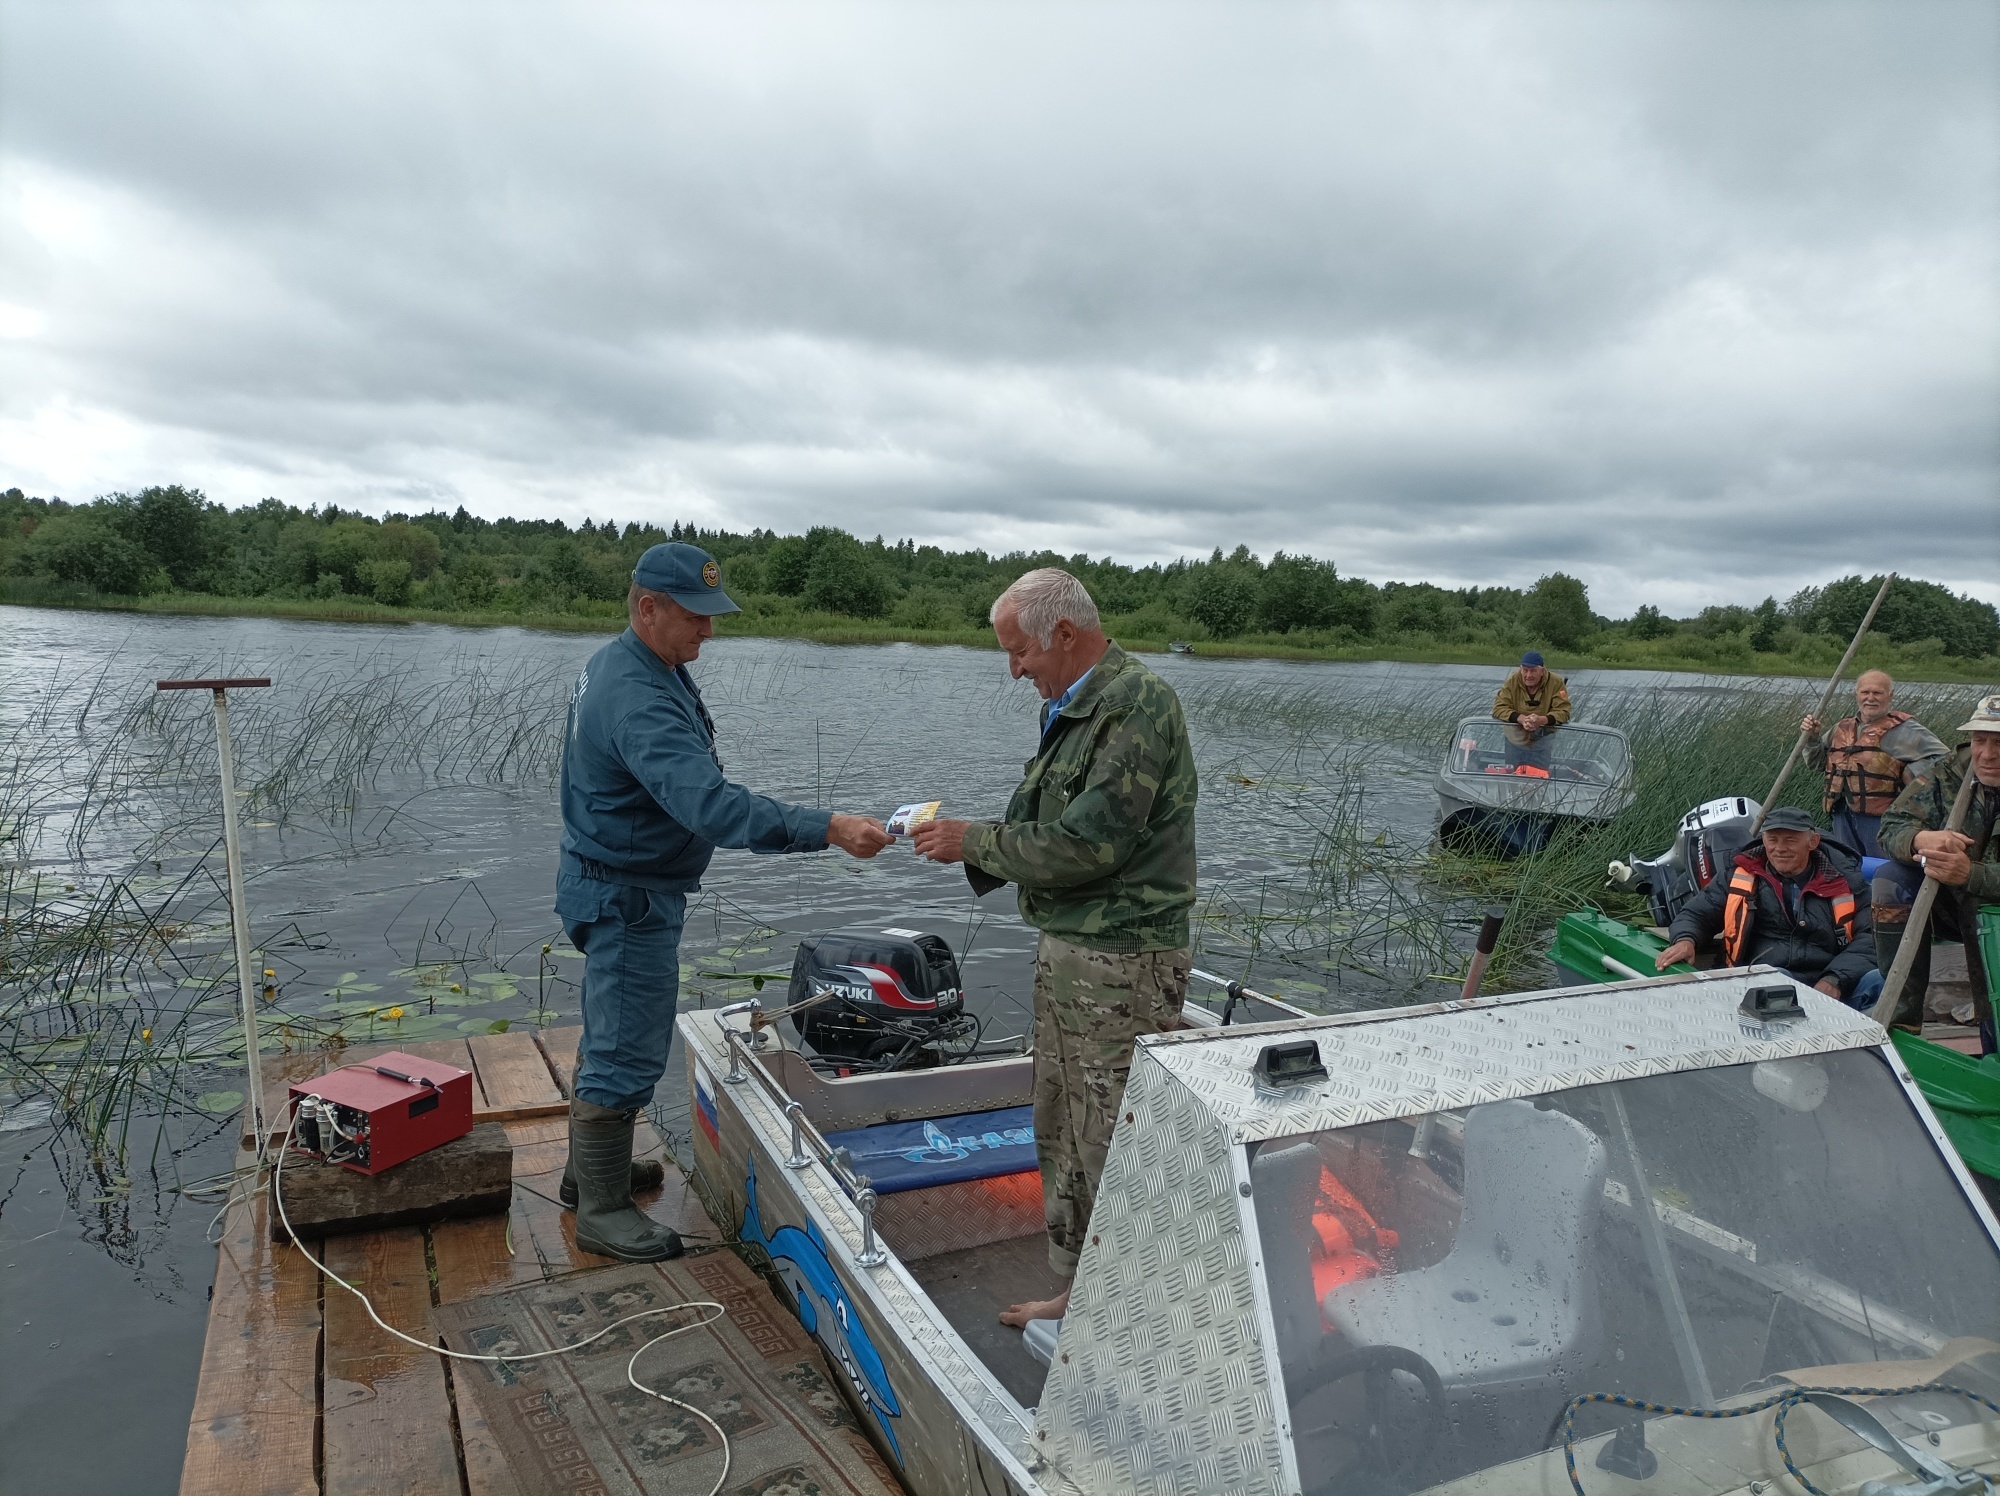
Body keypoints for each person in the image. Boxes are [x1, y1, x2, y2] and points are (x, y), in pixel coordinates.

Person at [557, 542, 892, 1261]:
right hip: (626, 896)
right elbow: (708, 805)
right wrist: (827, 827)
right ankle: (602, 1210)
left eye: (713, 615)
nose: (709, 630)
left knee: (608, 1024)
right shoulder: (639, 694)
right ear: (648, 608)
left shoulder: (640, 664)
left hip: (618, 881)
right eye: (695, 616)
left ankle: (586, 1176)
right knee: (624, 1046)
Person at [910, 568, 1197, 1330]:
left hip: (1123, 961)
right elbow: (1048, 822)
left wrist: (973, 840)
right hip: (1074, 952)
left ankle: (1130, 1306)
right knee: (1062, 1125)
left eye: (1019, 653)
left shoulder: (1136, 703)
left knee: (1110, 1136)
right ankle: (1081, 1292)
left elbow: (1091, 843)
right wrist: (960, 844)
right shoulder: (1073, 706)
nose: (1015, 670)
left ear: (1063, 635)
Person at [1655, 806, 1879, 1006]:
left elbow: (1871, 938)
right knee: (1774, 980)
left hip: (1833, 985)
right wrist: (1686, 939)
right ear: (1763, 840)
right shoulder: (1737, 875)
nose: (1780, 848)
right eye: (1772, 839)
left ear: (1813, 842)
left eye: (1790, 840)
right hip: (1762, 981)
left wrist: (1834, 980)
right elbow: (1697, 913)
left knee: (1879, 980)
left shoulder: (1848, 881)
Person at [1876, 691, 2000, 1052]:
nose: (1988, 755)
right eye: (1981, 740)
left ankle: (1990, 1038)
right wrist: (1921, 838)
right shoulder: (1950, 772)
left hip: (1994, 910)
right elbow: (1891, 827)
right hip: (1951, 904)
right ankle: (1901, 1017)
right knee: (1890, 880)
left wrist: (1972, 875)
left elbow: (1974, 878)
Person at [1801, 671, 1945, 957]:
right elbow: (1818, 763)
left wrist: (1911, 776)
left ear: (1889, 696)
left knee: (1884, 880)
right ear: (1857, 694)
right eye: (1865, 692)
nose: (1870, 698)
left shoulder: (1907, 731)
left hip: (1883, 822)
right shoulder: (1841, 729)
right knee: (1848, 877)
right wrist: (1812, 737)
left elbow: (1945, 762)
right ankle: (1851, 933)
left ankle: (1889, 940)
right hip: (1843, 816)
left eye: (1878, 693)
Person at [1492, 651, 1571, 768]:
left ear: (1542, 671)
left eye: (1533, 671)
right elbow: (1498, 708)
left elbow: (1564, 711)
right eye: (1525, 670)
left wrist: (1541, 721)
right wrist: (1522, 719)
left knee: (1539, 779)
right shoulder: (1512, 680)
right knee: (1512, 779)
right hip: (1514, 741)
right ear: (1520, 669)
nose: (1528, 675)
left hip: (1542, 743)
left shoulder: (1556, 682)